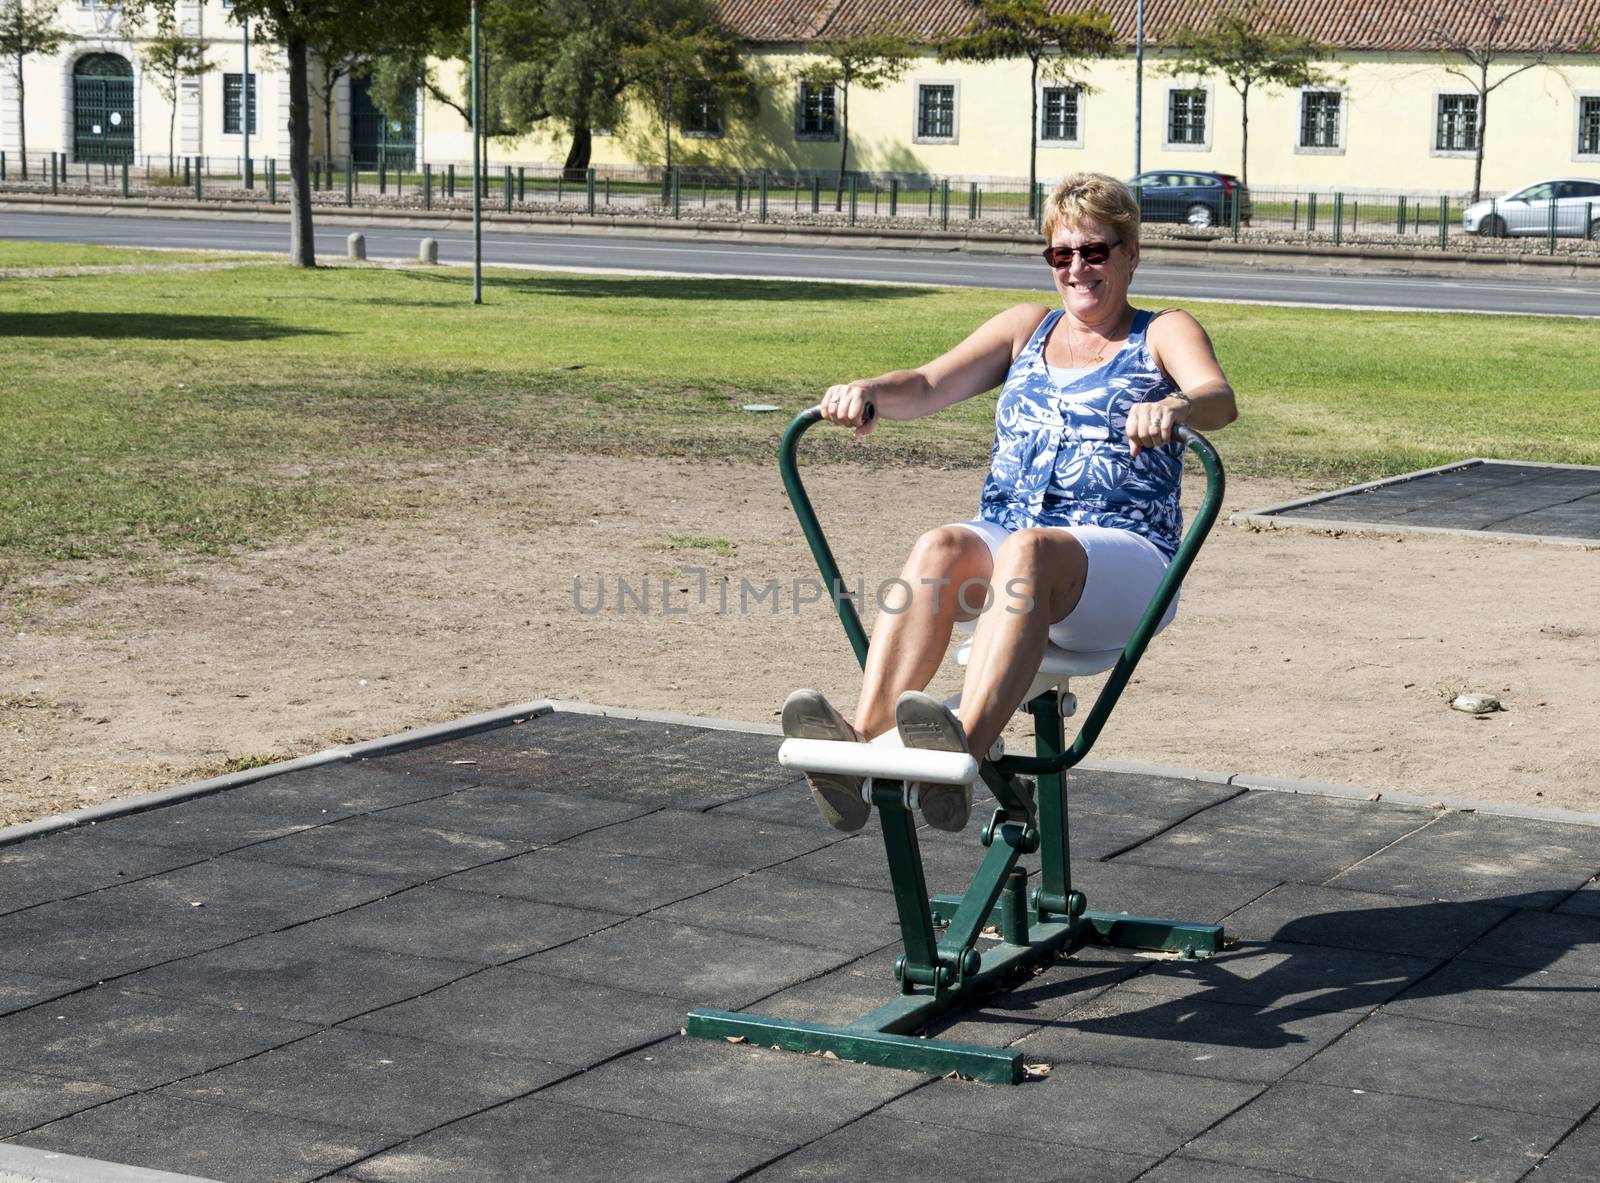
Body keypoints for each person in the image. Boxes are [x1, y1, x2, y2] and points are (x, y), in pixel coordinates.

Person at [783, 171, 1237, 834]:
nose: (1077, 268)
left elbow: (1218, 397)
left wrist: (1175, 404)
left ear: (1131, 253)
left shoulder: (1161, 331)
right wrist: (865, 390)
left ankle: (961, 748)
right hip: (1019, 551)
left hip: (1126, 560)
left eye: (1096, 251)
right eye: (1061, 254)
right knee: (943, 543)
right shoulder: (1027, 327)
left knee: (1029, 549)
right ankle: (864, 744)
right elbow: (930, 382)